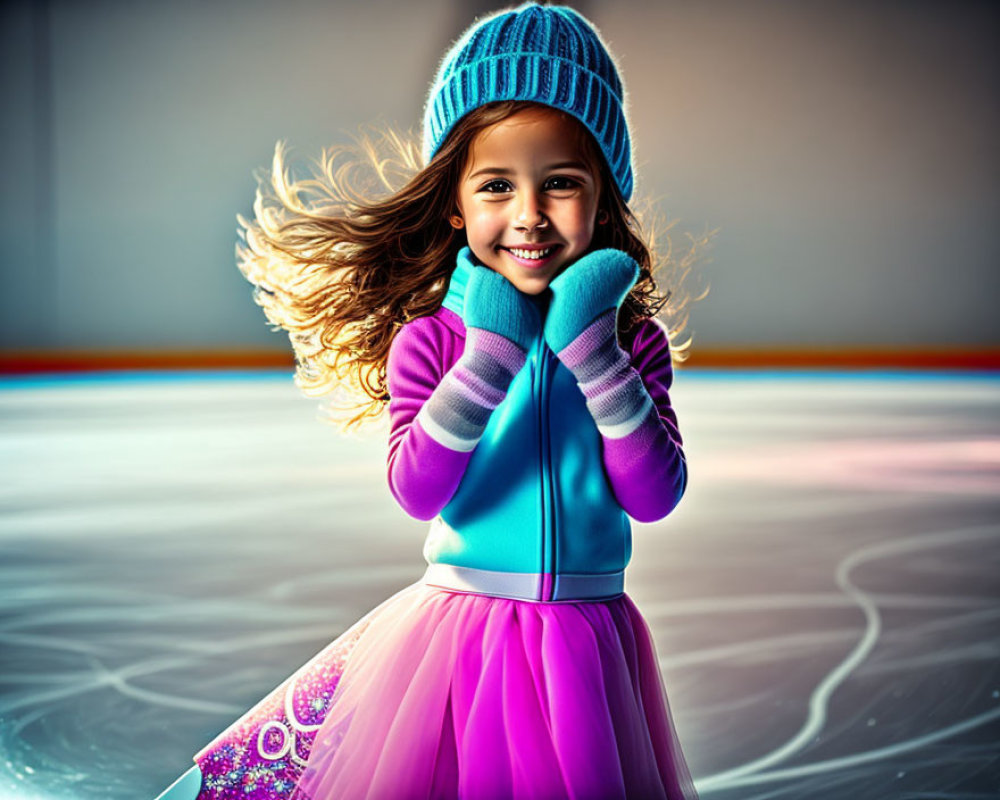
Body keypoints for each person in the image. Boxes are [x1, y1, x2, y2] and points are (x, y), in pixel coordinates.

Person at [155, 3, 699, 798]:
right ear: (456, 203)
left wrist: (597, 358)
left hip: (589, 642)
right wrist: (488, 359)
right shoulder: (436, 343)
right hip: (464, 637)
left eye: (561, 184)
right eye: (495, 185)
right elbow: (418, 490)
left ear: (603, 198)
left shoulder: (630, 346)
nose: (528, 214)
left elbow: (654, 497)